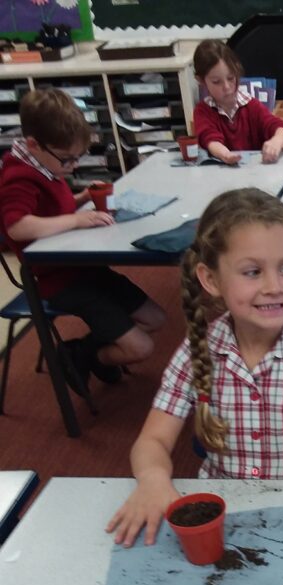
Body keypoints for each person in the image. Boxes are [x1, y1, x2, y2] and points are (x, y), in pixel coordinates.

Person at [107, 187, 283, 571]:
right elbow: (151, 441)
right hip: (224, 511)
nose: (274, 286)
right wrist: (151, 478)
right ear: (211, 280)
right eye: (252, 272)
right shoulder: (197, 350)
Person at [0, 88, 166, 391]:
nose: (73, 166)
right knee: (141, 349)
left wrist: (82, 197)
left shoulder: (44, 164)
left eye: (78, 157)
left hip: (84, 266)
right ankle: (84, 355)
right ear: (34, 144)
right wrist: (77, 219)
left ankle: (85, 353)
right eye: (67, 159)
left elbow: (52, 211)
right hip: (60, 280)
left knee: (156, 318)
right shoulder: (19, 176)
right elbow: (17, 227)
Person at [192, 40, 283, 165]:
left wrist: (276, 142)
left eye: (231, 78)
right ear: (201, 81)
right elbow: (209, 138)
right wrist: (225, 154)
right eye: (216, 81)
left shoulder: (251, 106)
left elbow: (280, 128)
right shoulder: (202, 111)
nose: (227, 86)